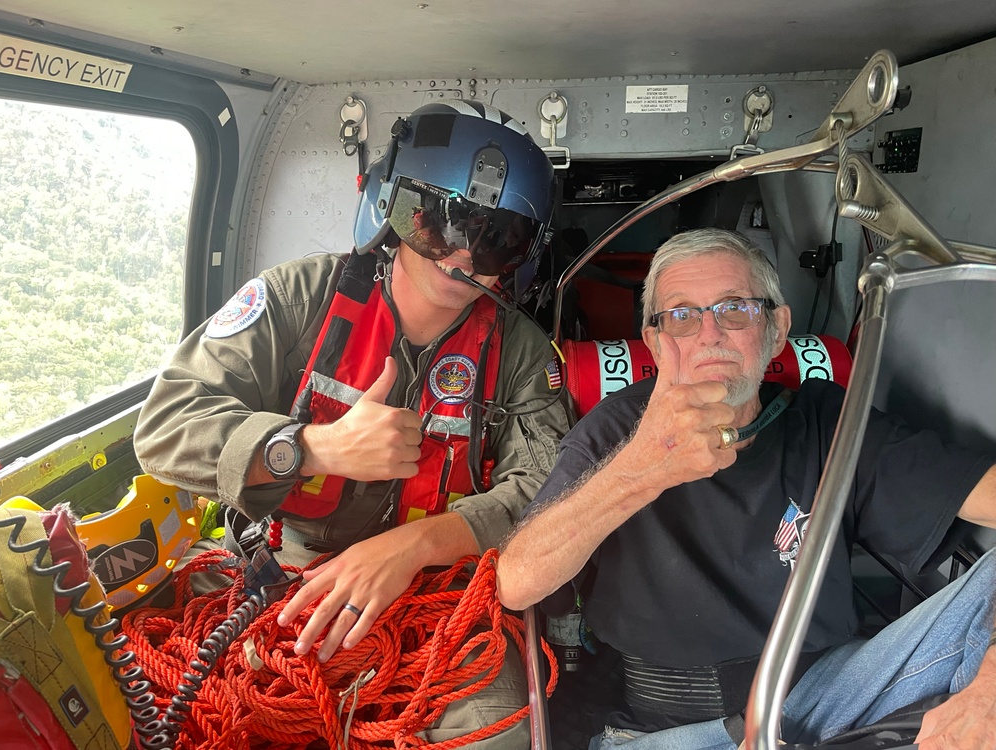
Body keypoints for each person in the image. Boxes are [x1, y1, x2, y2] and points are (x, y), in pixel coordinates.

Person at [133, 101, 574, 747]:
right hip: (277, 574)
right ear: (393, 209)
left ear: (521, 255)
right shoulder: (297, 298)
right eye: (437, 223)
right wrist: (310, 448)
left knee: (497, 735)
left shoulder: (524, 352)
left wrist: (419, 545)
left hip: (440, 597)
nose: (462, 256)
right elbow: (167, 426)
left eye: (495, 237)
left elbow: (550, 490)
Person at [497, 228, 996, 750]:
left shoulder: (827, 422)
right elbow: (516, 581)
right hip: (665, 730)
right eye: (683, 315)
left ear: (777, 329)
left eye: (734, 308)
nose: (709, 333)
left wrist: (986, 693)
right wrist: (642, 470)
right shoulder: (614, 431)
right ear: (655, 343)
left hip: (829, 696)